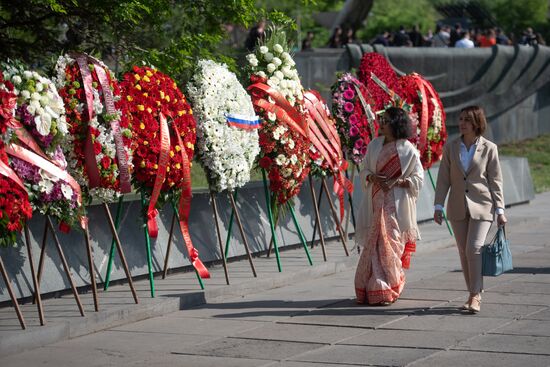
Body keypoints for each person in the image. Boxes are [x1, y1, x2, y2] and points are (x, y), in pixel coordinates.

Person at [434, 106, 507, 314]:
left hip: (483, 205)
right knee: (463, 252)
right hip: (457, 206)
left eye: (467, 119)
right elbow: (443, 180)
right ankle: (471, 293)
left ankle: (476, 295)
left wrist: (500, 210)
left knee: (473, 248)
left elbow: (496, 181)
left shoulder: (490, 148)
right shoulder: (451, 147)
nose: (462, 123)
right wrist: (438, 206)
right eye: (460, 119)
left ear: (477, 122)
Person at [355, 107, 424, 306]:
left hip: (396, 203)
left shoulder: (407, 149)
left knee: (391, 244)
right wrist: (372, 177)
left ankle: (390, 286)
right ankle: (371, 287)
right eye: (382, 120)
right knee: (374, 245)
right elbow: (364, 169)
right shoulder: (374, 145)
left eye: (386, 120)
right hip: (376, 202)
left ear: (396, 123)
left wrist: (399, 182)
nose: (382, 124)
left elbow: (418, 178)